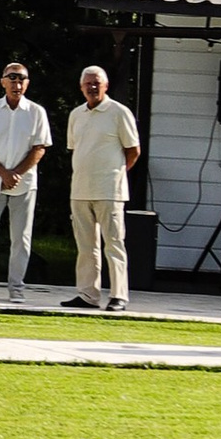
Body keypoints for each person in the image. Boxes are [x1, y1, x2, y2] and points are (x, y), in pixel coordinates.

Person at [59, 65, 140, 312]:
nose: (92, 87)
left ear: (106, 86)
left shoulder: (119, 112)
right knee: (86, 247)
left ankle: (119, 295)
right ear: (81, 87)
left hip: (110, 191)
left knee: (114, 244)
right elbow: (76, 149)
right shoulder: (76, 115)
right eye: (88, 83)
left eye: (97, 83)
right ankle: (87, 294)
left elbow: (133, 150)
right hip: (80, 190)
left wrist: (115, 174)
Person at [0, 59, 50, 305]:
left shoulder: (36, 112)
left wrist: (16, 173)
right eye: (12, 78)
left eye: (21, 79)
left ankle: (16, 288)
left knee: (21, 238)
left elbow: (39, 148)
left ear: (27, 84)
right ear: (2, 82)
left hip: (24, 185)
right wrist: (2, 172)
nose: (17, 83)